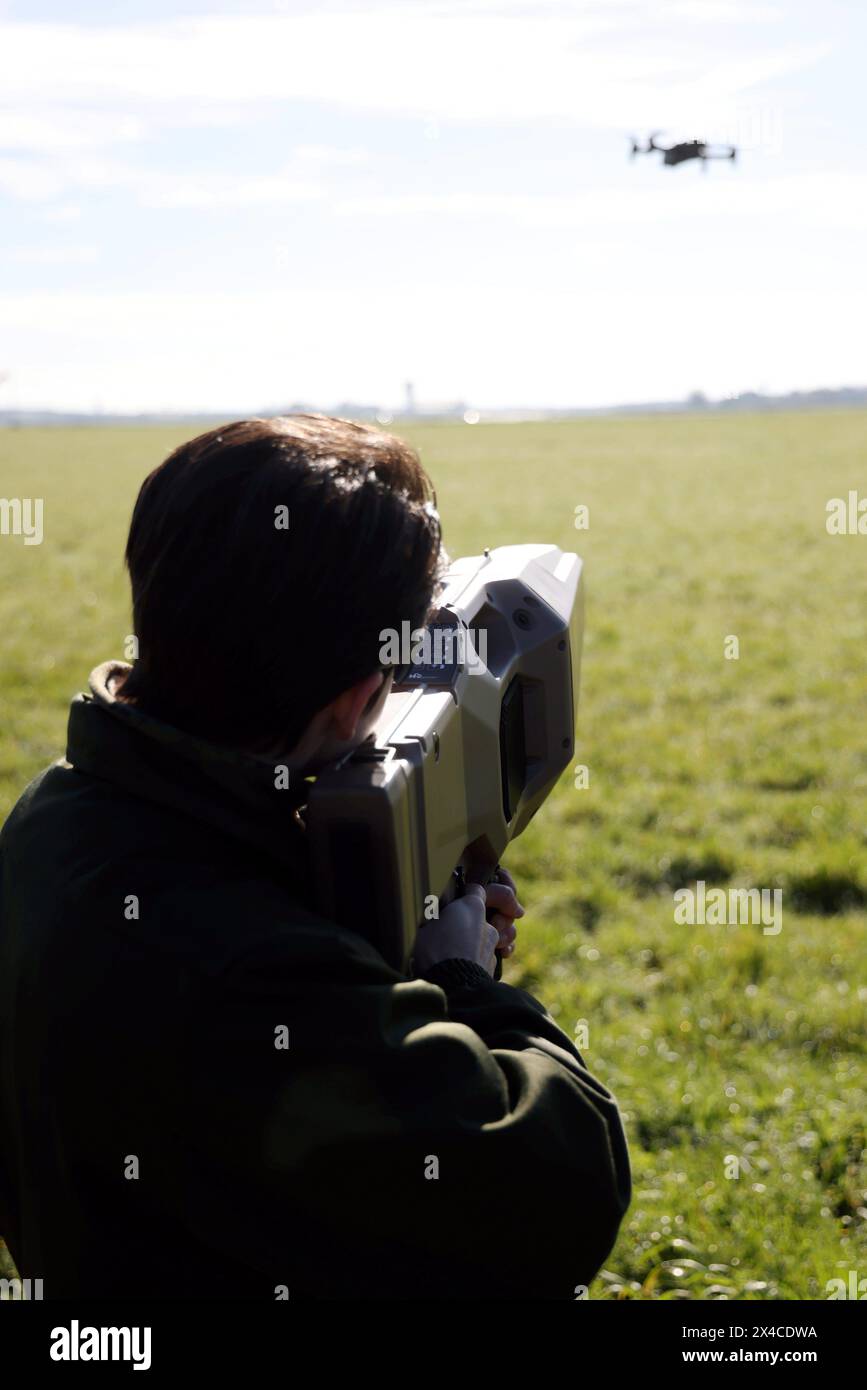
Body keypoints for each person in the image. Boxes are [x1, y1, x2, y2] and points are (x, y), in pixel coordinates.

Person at [0, 414, 630, 1299]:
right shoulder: (253, 974)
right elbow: (559, 1194)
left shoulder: (54, 815)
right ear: (359, 697)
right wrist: (460, 981)